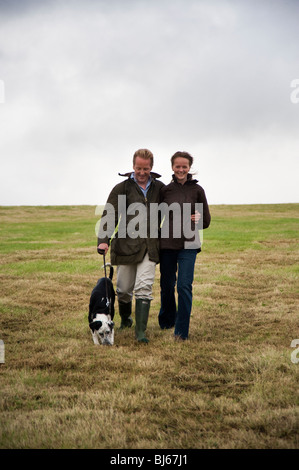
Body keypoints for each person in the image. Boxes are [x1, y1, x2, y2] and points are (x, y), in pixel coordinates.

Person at [97, 149, 164, 343]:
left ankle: (140, 332)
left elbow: (175, 207)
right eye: (138, 168)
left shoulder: (160, 188)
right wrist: (103, 239)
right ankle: (126, 319)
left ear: (151, 167)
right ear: (133, 166)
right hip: (125, 246)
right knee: (124, 290)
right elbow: (110, 215)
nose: (142, 172)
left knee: (144, 287)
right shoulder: (122, 188)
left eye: (146, 168)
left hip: (150, 247)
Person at [158, 151, 211, 340]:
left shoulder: (198, 191)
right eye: (177, 166)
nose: (181, 169)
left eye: (184, 166)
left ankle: (181, 332)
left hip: (189, 245)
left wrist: (198, 218)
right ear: (172, 167)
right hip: (167, 245)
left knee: (184, 286)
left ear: (189, 168)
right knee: (166, 285)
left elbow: (206, 221)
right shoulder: (165, 191)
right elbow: (157, 219)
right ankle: (167, 320)